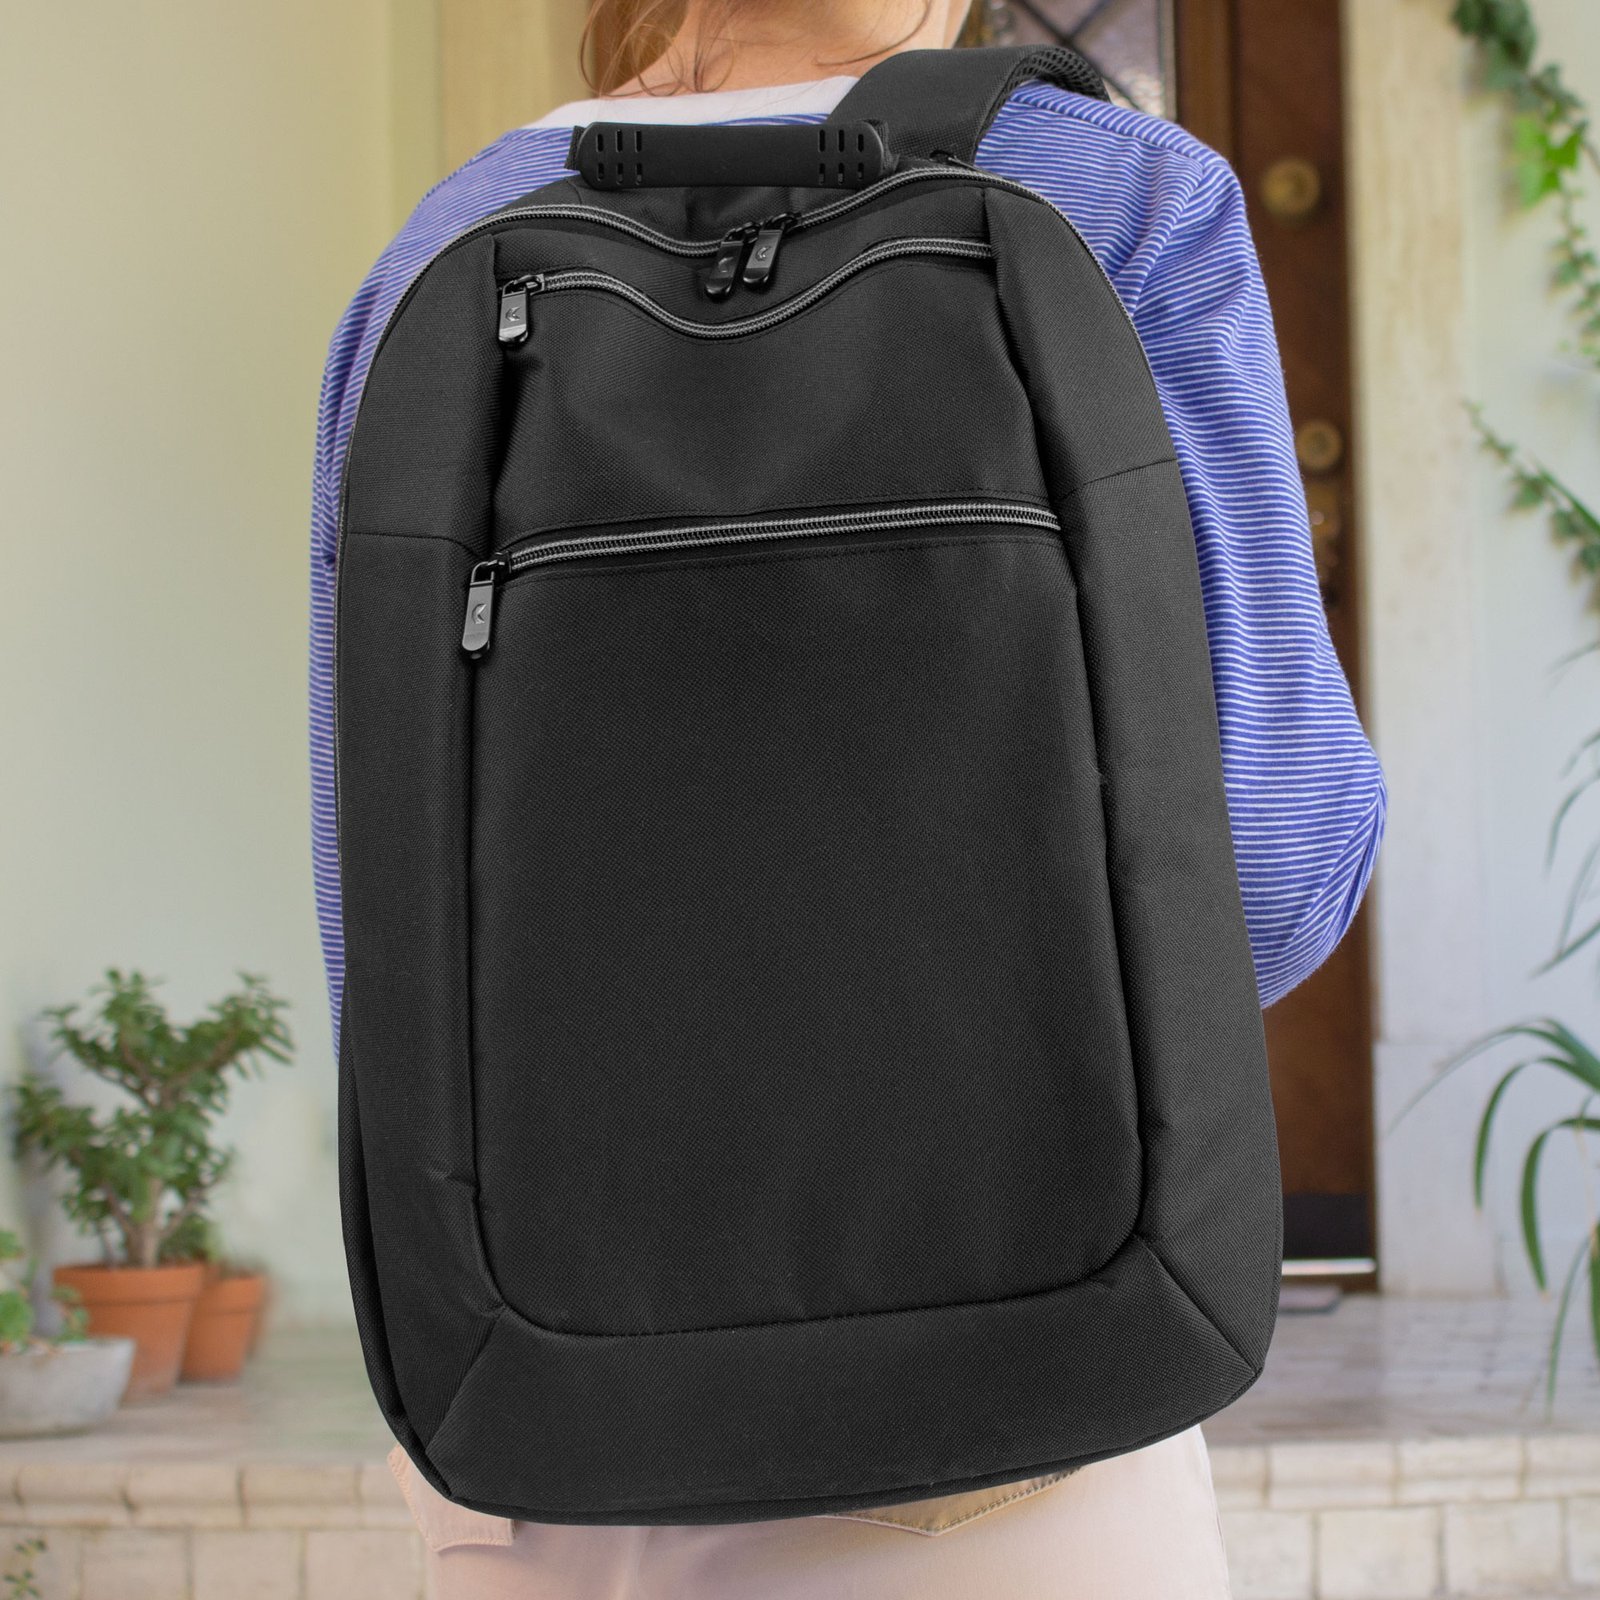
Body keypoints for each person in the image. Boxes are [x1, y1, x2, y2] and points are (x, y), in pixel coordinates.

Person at [309, 2, 1386, 1594]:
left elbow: (380, 931)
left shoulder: (448, 247)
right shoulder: (1112, 194)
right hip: (1016, 1400)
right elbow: (1278, 872)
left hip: (541, 1414)